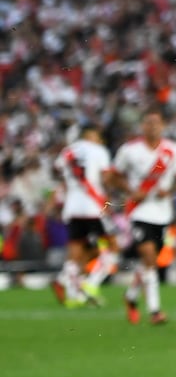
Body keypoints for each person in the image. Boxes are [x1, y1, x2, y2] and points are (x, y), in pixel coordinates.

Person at [109, 108, 176, 324]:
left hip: (162, 213)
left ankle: (130, 297)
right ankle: (155, 311)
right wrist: (130, 191)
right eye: (148, 122)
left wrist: (172, 190)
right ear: (142, 126)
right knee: (148, 257)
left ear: (163, 126)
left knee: (150, 263)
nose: (152, 126)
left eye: (156, 122)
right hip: (138, 210)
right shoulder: (129, 150)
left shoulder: (172, 151)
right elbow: (113, 176)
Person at [53, 125, 117, 307]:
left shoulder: (68, 152)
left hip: (72, 207)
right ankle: (90, 284)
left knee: (78, 251)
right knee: (113, 247)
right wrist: (110, 201)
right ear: (92, 135)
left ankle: (72, 293)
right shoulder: (98, 150)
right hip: (93, 206)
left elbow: (58, 171)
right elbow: (106, 178)